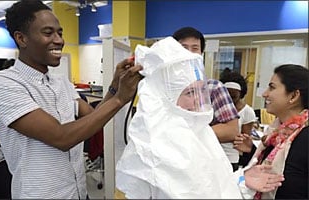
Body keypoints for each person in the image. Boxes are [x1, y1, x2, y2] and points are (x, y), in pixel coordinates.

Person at [0, 0, 142, 199]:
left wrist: (114, 86)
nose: (59, 40)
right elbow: (61, 137)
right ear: (21, 38)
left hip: (77, 191)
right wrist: (119, 99)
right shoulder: (2, 84)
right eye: (48, 33)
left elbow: (93, 118)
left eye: (59, 33)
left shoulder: (61, 82)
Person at [115, 37, 284, 199]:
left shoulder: (201, 133)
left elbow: (211, 186)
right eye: (189, 93)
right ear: (165, 99)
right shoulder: (150, 146)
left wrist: (241, 180)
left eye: (200, 91)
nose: (197, 100)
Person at [173, 27, 239, 170]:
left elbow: (232, 130)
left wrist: (184, 134)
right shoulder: (164, 88)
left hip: (204, 165)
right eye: (183, 47)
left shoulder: (213, 88)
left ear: (201, 54)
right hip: (170, 162)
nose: (189, 53)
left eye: (194, 48)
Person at [244, 64, 308, 199]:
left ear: (294, 95)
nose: (264, 94)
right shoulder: (275, 135)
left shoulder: (305, 138)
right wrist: (249, 152)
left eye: (272, 87)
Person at [220, 71, 257, 171]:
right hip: (213, 155)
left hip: (231, 158)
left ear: (241, 95)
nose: (229, 101)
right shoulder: (217, 108)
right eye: (227, 97)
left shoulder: (247, 112)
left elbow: (243, 141)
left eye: (234, 97)